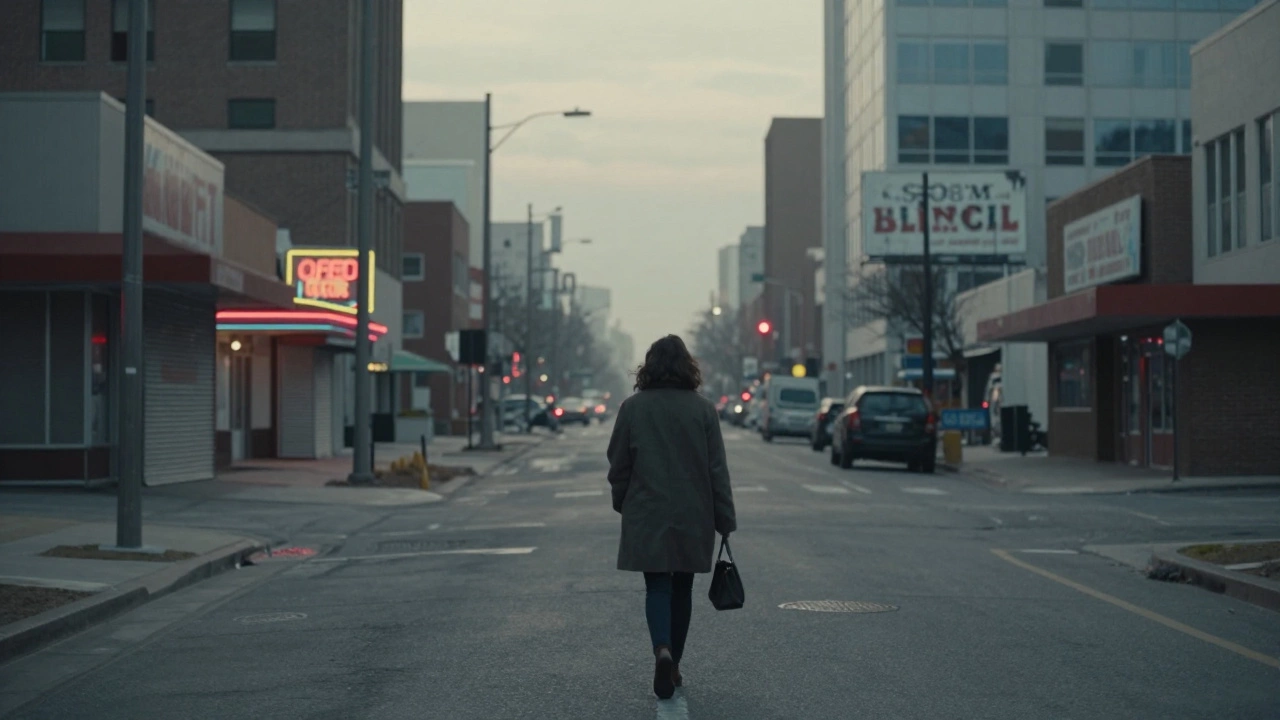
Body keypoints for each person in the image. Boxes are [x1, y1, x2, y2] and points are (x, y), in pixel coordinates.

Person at [606, 334, 737, 700]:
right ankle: (674, 663)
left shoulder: (632, 408)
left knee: (657, 586)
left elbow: (618, 463)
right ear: (687, 368)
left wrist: (622, 501)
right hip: (693, 512)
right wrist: (725, 520)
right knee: (682, 589)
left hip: (647, 510)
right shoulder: (704, 411)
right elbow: (717, 470)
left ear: (647, 368)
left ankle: (661, 649)